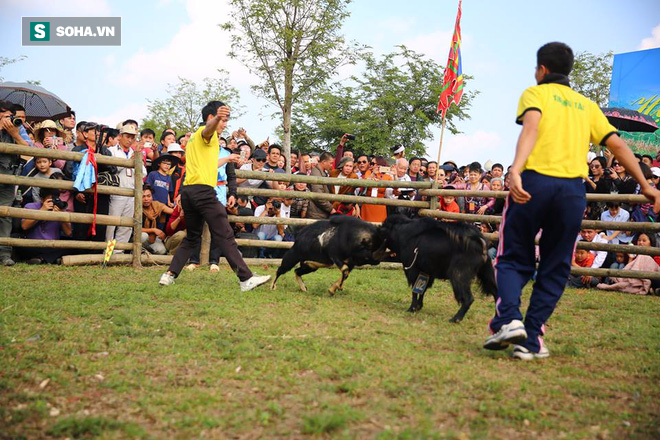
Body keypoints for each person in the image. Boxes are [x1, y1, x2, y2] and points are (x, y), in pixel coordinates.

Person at [484, 42, 660, 361]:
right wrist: (646, 184)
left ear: (542, 70)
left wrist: (518, 170)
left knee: (511, 256)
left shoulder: (535, 93)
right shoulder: (586, 106)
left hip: (535, 183)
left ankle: (509, 319)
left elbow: (532, 128)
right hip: (571, 192)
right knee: (555, 265)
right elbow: (617, 144)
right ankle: (532, 338)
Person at [158, 100, 270, 291]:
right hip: (203, 192)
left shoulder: (194, 141)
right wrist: (217, 117)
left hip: (188, 192)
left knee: (192, 237)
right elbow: (208, 130)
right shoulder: (205, 135)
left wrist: (227, 159)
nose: (225, 124)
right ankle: (246, 279)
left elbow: (206, 166)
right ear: (211, 118)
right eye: (223, 120)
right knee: (225, 234)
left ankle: (169, 275)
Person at [0, 101, 30, 266]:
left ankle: (4, 254)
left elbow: (28, 153)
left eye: (8, 116)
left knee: (5, 215)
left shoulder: (17, 127)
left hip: (8, 176)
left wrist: (15, 134)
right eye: (3, 115)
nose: (6, 119)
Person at [106, 124, 146, 246]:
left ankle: (119, 252)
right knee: (111, 225)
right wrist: (129, 162)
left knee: (126, 226)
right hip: (116, 192)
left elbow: (143, 173)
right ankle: (107, 252)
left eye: (132, 137)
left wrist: (136, 161)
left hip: (132, 192)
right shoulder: (111, 151)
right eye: (127, 136)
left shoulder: (135, 152)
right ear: (120, 136)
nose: (130, 140)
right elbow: (111, 169)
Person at [18, 187, 72, 264]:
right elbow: (24, 226)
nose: (53, 203)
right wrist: (42, 211)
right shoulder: (31, 206)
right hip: (33, 245)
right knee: (20, 246)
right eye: (50, 200)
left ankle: (40, 259)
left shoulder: (59, 208)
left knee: (71, 246)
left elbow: (68, 232)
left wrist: (61, 216)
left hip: (53, 246)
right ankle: (53, 259)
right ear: (42, 199)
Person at [141, 184, 174, 255]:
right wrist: (154, 230)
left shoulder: (157, 205)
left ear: (152, 196)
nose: (146, 199)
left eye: (148, 196)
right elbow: (135, 229)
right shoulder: (137, 208)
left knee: (162, 251)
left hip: (153, 239)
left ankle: (147, 252)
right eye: (143, 197)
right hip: (139, 238)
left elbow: (172, 211)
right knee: (143, 236)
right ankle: (139, 251)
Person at [307, 152, 336, 219]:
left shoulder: (322, 172)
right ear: (324, 162)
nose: (332, 165)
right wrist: (330, 208)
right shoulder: (316, 173)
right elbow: (318, 195)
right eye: (331, 163)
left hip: (320, 212)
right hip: (317, 213)